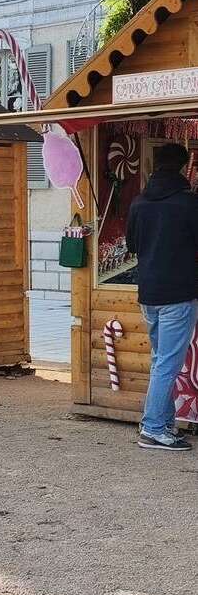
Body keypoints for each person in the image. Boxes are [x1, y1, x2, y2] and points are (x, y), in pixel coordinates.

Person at [126, 143, 198, 452]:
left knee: (160, 360)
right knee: (167, 364)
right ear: (184, 167)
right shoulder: (189, 204)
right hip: (178, 293)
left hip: (149, 292)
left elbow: (131, 244)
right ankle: (154, 428)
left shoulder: (139, 202)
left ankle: (164, 424)